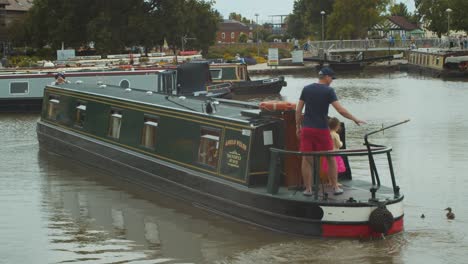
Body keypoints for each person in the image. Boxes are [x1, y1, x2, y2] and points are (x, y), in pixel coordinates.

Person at [296, 67, 366, 196]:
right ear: (327, 77)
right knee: (330, 157)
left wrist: (297, 127)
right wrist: (355, 118)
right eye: (332, 78)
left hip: (307, 129)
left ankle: (308, 189)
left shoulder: (306, 89)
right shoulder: (329, 91)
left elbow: (298, 109)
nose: (332, 81)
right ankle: (335, 187)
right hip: (322, 129)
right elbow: (340, 110)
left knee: (306, 159)